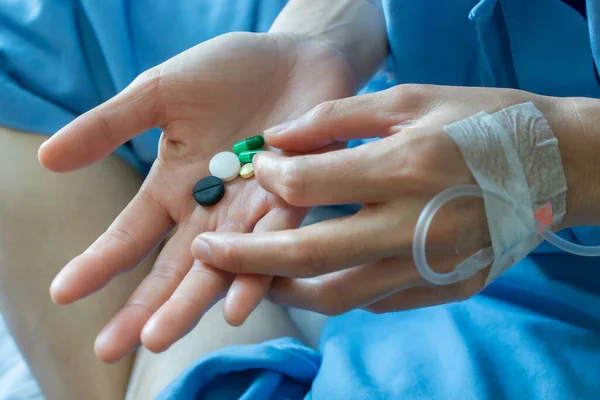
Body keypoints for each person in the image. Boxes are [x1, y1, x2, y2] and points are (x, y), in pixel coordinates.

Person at [1, 0, 599, 398]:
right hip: (404, 52)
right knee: (25, 34)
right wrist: (321, 38)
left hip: (571, 252)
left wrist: (550, 160)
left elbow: (547, 161)